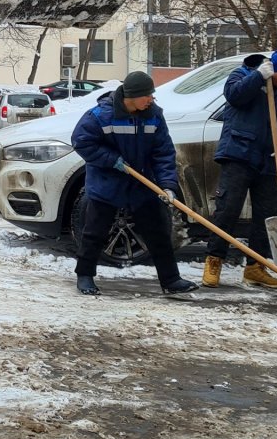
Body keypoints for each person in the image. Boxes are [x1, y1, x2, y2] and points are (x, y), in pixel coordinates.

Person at [69, 71, 197, 296]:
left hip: (142, 183)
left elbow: (163, 152)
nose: (151, 100)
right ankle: (85, 275)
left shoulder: (154, 116)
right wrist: (111, 160)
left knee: (158, 231)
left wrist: (167, 184)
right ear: (132, 95)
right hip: (108, 182)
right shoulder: (100, 116)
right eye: (147, 95)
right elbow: (82, 141)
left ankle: (171, 280)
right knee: (95, 232)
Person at [202, 49, 277, 289]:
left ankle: (255, 268)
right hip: (239, 154)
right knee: (227, 209)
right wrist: (258, 76)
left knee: (265, 216)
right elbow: (234, 96)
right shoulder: (242, 75)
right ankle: (214, 260)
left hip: (270, 162)